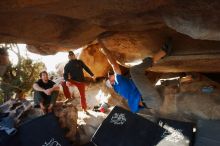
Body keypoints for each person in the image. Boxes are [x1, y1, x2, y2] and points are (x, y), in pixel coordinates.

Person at [99, 38, 172, 113]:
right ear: (112, 82)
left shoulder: (118, 90)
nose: (112, 75)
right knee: (134, 71)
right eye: (110, 77)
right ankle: (163, 52)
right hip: (150, 99)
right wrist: (105, 51)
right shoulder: (118, 81)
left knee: (139, 76)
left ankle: (154, 59)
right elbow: (113, 64)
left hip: (150, 103)